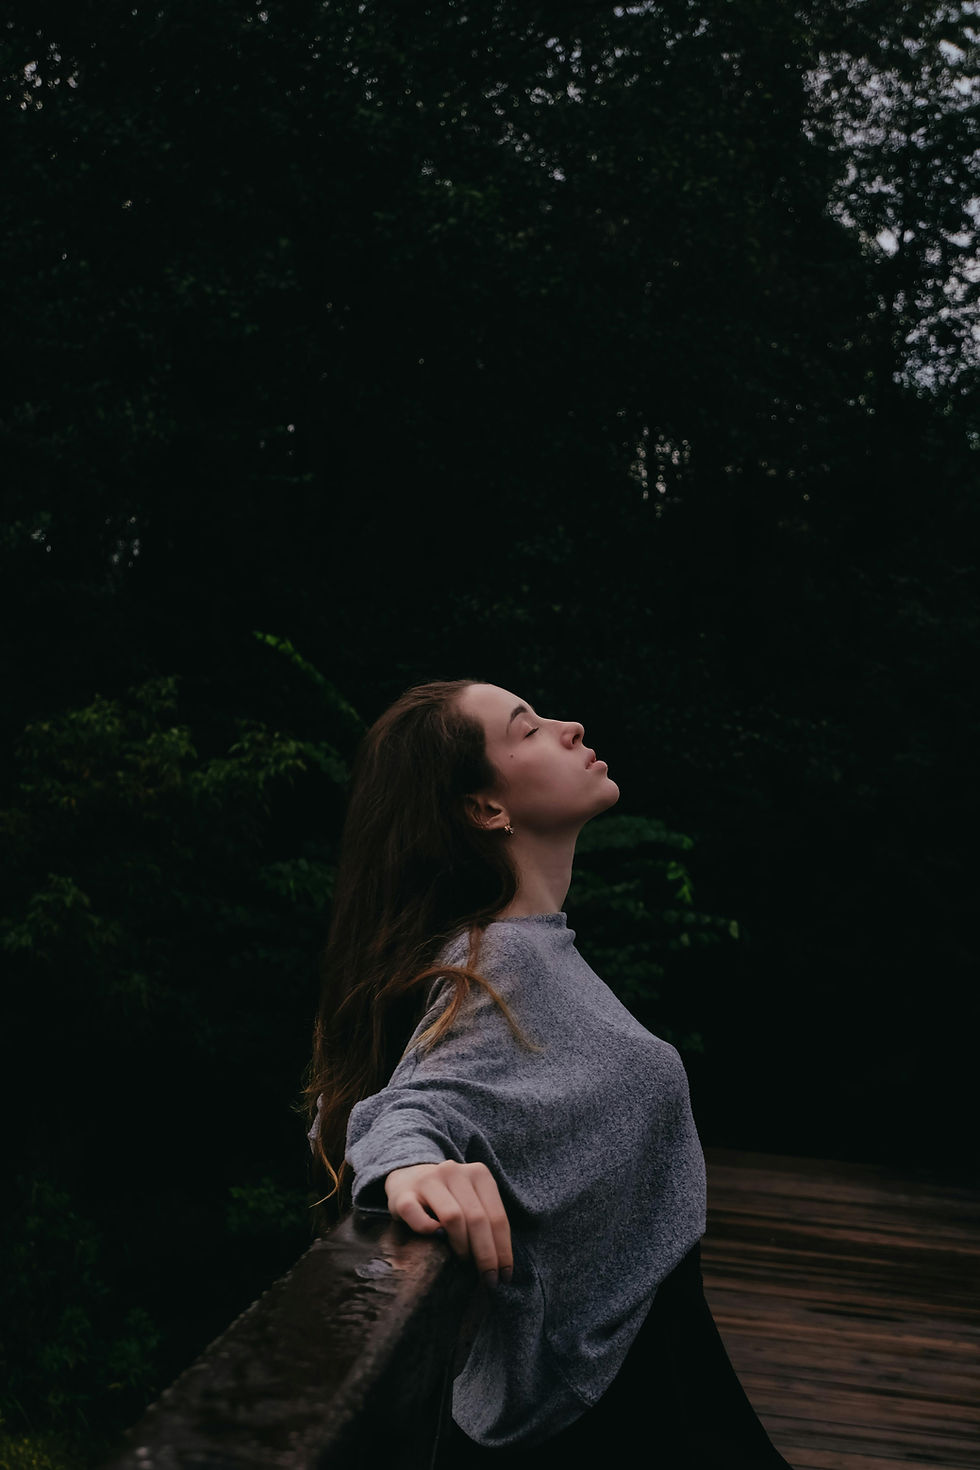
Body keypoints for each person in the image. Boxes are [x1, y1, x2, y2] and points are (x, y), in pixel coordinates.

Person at [306, 679, 793, 1467]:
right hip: (602, 1414)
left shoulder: (534, 949)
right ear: (485, 809)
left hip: (645, 1379)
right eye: (527, 730)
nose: (570, 727)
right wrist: (410, 1168)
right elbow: (409, 1106)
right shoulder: (494, 962)